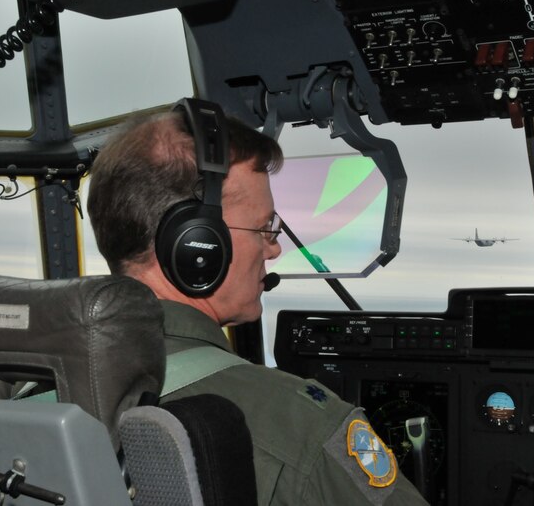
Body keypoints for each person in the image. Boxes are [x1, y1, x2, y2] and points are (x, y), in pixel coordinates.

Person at [87, 101, 430, 506]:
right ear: (197, 246)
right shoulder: (300, 425)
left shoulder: (26, 388)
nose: (275, 249)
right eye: (264, 228)